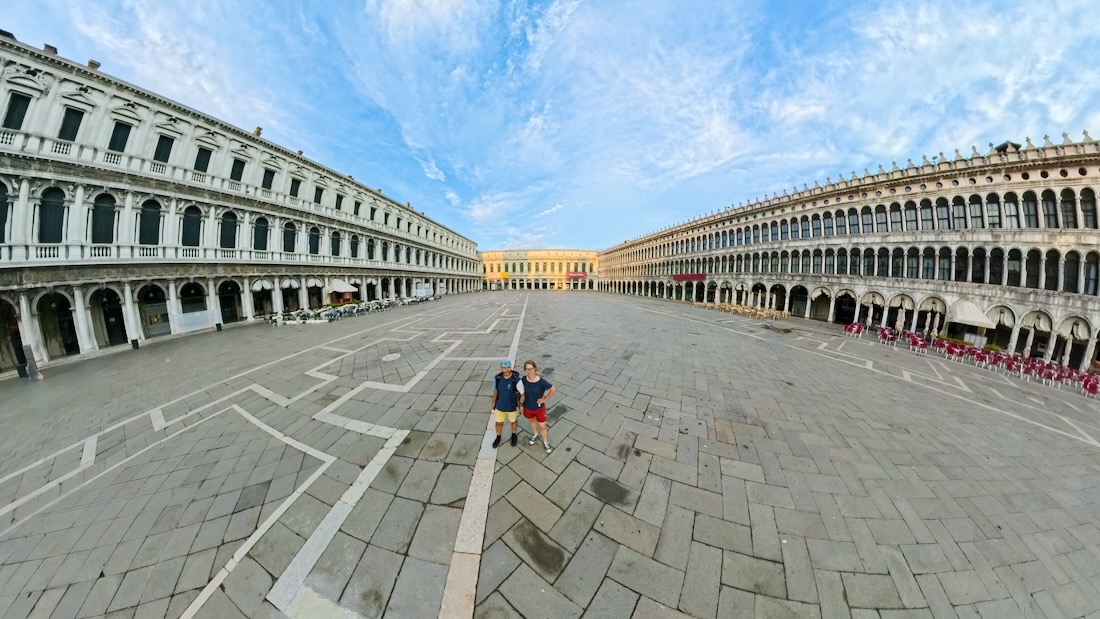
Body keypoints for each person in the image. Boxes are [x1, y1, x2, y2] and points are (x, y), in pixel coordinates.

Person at [520, 359, 556, 453]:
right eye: (527, 369)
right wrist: (520, 405)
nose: (529, 371)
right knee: (532, 421)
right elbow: (522, 393)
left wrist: (545, 399)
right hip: (528, 407)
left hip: (539, 409)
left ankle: (545, 442)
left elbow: (553, 389)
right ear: (525, 370)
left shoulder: (541, 382)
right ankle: (535, 434)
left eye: (531, 369)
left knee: (542, 426)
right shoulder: (523, 379)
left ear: (535, 369)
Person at [490, 360, 523, 448]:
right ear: (501, 369)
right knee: (498, 423)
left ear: (511, 367)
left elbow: (522, 393)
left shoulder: (516, 379)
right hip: (500, 405)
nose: (506, 370)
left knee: (513, 421)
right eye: (504, 368)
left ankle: (513, 434)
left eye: (508, 367)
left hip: (512, 406)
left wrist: (520, 405)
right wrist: (493, 402)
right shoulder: (497, 378)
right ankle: (498, 437)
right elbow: (495, 390)